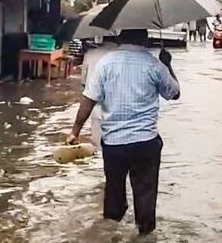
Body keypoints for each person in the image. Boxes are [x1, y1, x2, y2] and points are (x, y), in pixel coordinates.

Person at [66, 29, 180, 236]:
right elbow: (174, 93)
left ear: (119, 38)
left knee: (114, 196)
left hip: (114, 144)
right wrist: (168, 63)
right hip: (146, 143)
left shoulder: (105, 63)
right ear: (145, 39)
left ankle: (111, 233)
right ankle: (145, 235)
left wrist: (75, 131)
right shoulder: (153, 64)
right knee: (145, 197)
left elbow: (89, 99)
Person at [80, 36, 119, 149]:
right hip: (118, 112)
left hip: (95, 109)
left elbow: (83, 83)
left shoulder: (90, 54)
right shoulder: (122, 56)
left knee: (100, 149)